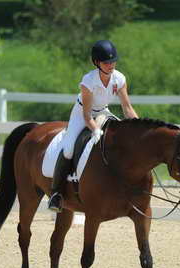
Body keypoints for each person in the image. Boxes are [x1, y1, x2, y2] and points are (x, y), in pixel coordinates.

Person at [48, 40, 139, 213]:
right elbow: (86, 115)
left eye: (113, 61)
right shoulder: (88, 81)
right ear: (97, 62)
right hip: (82, 114)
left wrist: (138, 127)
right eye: (106, 62)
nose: (111, 65)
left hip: (103, 112)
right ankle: (56, 193)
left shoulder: (119, 79)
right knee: (68, 149)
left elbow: (127, 108)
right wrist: (96, 130)